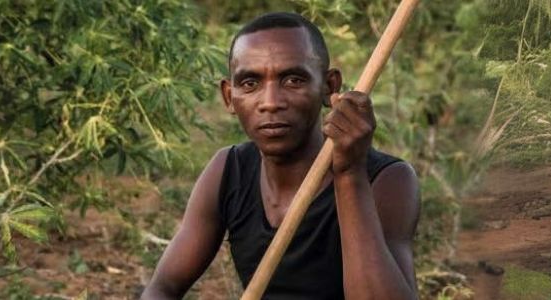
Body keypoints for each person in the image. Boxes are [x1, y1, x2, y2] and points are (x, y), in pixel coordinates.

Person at [141, 12, 420, 300]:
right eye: (250, 83)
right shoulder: (229, 170)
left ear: (329, 87)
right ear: (229, 96)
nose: (271, 103)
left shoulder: (387, 179)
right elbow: (163, 287)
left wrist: (350, 175)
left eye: (293, 80)